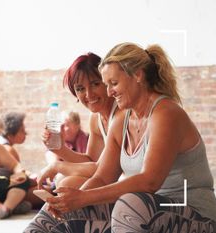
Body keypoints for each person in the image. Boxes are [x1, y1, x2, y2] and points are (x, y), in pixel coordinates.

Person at [25, 42, 216, 232]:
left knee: (129, 202)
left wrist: (83, 197)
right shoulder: (122, 121)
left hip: (191, 213)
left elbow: (149, 181)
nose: (109, 92)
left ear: (138, 75)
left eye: (113, 83)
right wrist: (71, 200)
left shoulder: (166, 113)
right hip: (141, 211)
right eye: (107, 85)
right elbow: (102, 177)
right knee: (60, 214)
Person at [39, 52, 121, 189]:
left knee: (66, 183)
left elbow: (102, 170)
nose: (89, 94)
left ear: (107, 82)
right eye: (80, 89)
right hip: (113, 181)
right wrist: (59, 148)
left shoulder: (120, 113)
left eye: (95, 84)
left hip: (130, 186)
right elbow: (92, 160)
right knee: (63, 180)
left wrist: (57, 166)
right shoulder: (96, 118)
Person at [0, 112, 42, 209]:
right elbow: (21, 178)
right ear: (10, 134)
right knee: (46, 190)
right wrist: (40, 181)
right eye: (22, 130)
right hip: (3, 191)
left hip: (1, 188)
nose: (26, 133)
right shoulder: (7, 149)